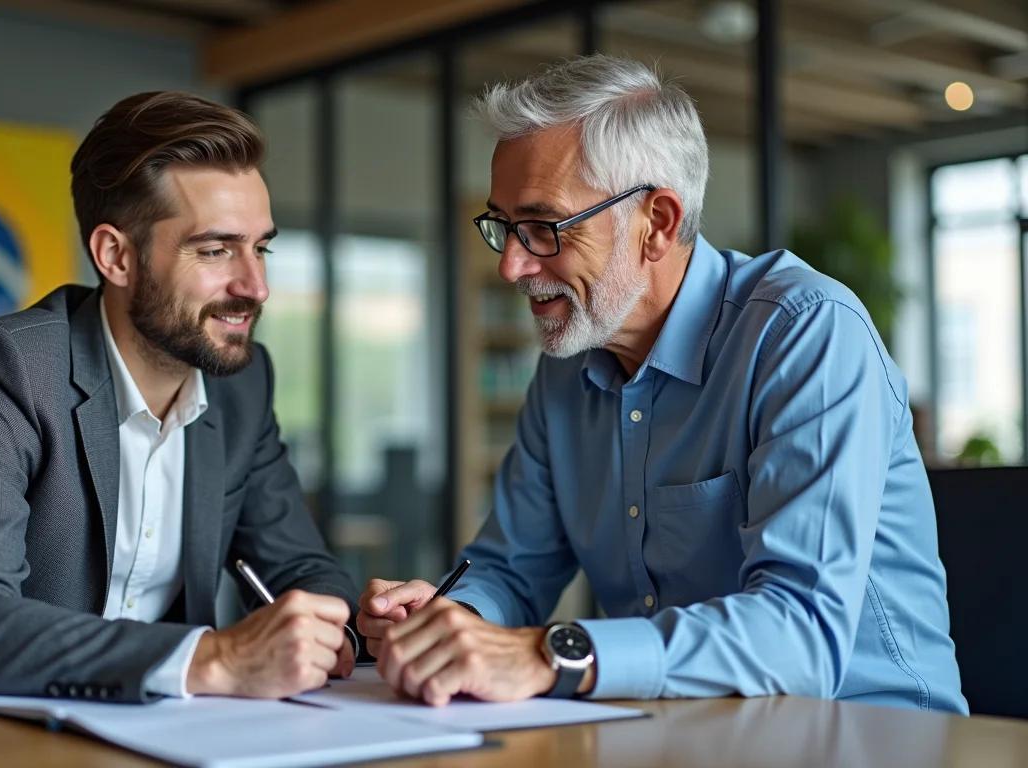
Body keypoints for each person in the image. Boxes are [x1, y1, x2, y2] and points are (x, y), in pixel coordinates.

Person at [358, 55, 966, 714]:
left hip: (869, 733)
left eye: (542, 228)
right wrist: (452, 621)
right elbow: (510, 568)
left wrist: (549, 654)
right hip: (679, 729)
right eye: (504, 227)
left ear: (658, 223)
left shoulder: (807, 332)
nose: (511, 265)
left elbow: (801, 637)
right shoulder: (565, 369)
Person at [0, 91, 364, 703]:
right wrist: (215, 658)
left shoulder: (243, 383)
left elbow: (299, 569)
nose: (256, 286)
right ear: (116, 256)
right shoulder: (8, 368)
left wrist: (361, 626)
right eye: (215, 250)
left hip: (153, 729)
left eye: (261, 247)